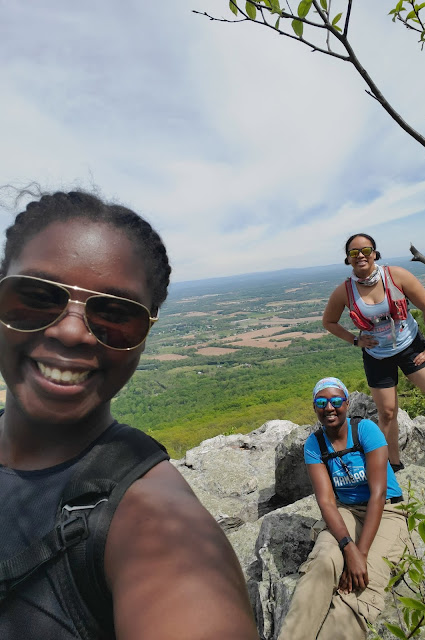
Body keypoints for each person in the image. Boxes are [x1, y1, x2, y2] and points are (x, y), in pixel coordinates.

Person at [0, 191, 259, 640]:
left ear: (146, 332)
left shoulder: (156, 526)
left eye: (115, 313)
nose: (70, 331)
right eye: (37, 296)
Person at [322, 233, 425, 485]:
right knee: (386, 413)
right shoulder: (345, 291)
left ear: (375, 253)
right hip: (377, 356)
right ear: (348, 259)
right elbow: (328, 322)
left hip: (410, 347)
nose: (360, 255)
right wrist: (355, 340)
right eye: (354, 252)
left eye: (366, 250)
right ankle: (392, 466)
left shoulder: (395, 276)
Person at [278, 377, 408, 640]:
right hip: (345, 510)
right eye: (321, 402)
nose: (329, 408)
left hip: (386, 511)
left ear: (347, 403)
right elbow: (326, 501)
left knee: (363, 582)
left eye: (336, 401)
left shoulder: (365, 430)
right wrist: (348, 548)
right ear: (314, 407)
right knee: (322, 563)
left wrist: (359, 554)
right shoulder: (314, 445)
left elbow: (378, 493)